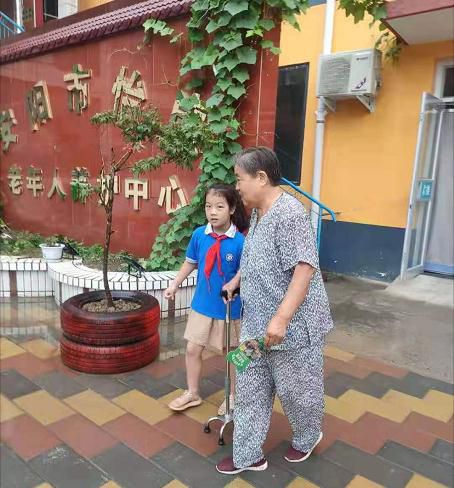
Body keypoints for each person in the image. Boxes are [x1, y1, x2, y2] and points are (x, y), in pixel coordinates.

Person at [216, 147, 334, 475]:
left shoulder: (290, 214)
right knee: (248, 386)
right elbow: (255, 256)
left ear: (261, 178)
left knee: (298, 393)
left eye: (239, 179)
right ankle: (247, 455)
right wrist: (236, 281)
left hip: (292, 330)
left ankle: (308, 436)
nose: (236, 186)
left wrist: (281, 319)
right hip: (256, 326)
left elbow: (304, 269)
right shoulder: (258, 211)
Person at [165, 183, 248, 414]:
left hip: (229, 308)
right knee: (192, 349)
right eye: (208, 206)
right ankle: (192, 393)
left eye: (219, 207)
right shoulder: (199, 235)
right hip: (202, 304)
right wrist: (174, 284)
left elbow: (246, 270)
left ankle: (233, 396)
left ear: (232, 209)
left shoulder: (240, 242)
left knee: (233, 354)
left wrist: (236, 283)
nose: (213, 212)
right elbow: (190, 262)